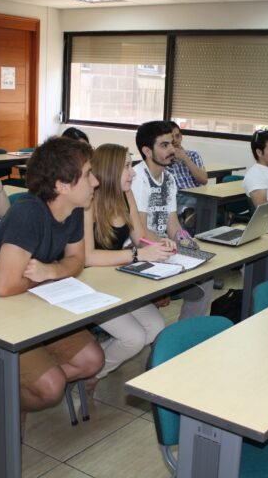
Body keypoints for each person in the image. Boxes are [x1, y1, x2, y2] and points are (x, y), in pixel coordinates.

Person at [0, 137, 104, 430]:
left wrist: (51, 271)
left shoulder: (74, 208)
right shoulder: (28, 213)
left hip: (33, 305)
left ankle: (14, 389)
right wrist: (50, 275)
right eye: (88, 173)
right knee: (52, 387)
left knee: (92, 360)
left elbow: (77, 260)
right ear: (62, 185)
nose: (96, 181)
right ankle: (14, 397)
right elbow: (3, 287)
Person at [84, 144, 171, 380]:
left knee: (156, 328)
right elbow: (87, 257)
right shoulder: (88, 201)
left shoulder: (126, 194)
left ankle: (92, 370)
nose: (133, 172)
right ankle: (88, 376)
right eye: (126, 167)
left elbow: (140, 238)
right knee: (133, 337)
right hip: (89, 286)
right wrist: (137, 254)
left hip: (117, 280)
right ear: (110, 170)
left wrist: (160, 244)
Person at [132, 120, 213, 319]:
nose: (172, 149)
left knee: (206, 275)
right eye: (164, 145)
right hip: (141, 250)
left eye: (171, 144)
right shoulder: (138, 179)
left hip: (164, 247)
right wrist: (169, 246)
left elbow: (173, 225)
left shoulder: (168, 178)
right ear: (147, 151)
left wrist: (186, 241)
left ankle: (184, 336)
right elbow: (140, 234)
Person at [165, 121, 208, 231]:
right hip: (175, 195)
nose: (175, 140)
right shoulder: (162, 158)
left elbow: (203, 180)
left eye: (178, 136)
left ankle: (187, 213)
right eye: (171, 137)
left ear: (181, 136)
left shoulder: (193, 155)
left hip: (195, 194)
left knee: (201, 200)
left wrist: (185, 159)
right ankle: (187, 213)